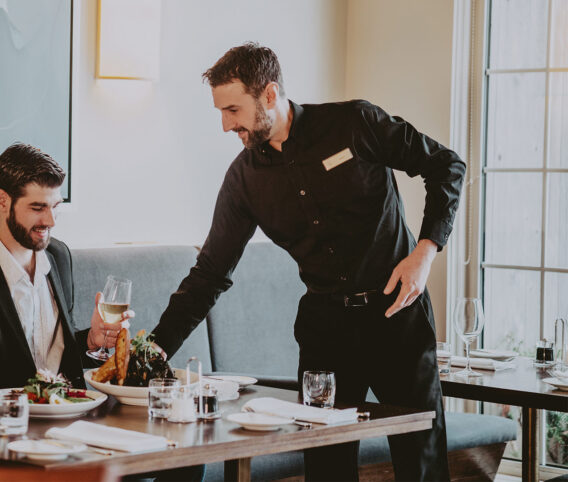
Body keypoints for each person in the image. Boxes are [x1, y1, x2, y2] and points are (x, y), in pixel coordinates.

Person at [150, 43, 466, 481]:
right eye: (220, 112)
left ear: (269, 94)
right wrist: (151, 350)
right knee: (327, 469)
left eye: (233, 109)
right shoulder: (244, 180)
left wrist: (425, 251)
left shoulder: (354, 122)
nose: (225, 124)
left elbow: (447, 166)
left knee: (422, 463)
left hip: (398, 315)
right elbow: (208, 275)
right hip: (326, 332)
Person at [0, 143, 130, 396]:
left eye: (55, 206)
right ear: (2, 201)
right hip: (9, 425)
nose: (50, 221)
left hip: (73, 417)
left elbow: (57, 350)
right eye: (38, 208)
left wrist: (91, 341)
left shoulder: (59, 257)